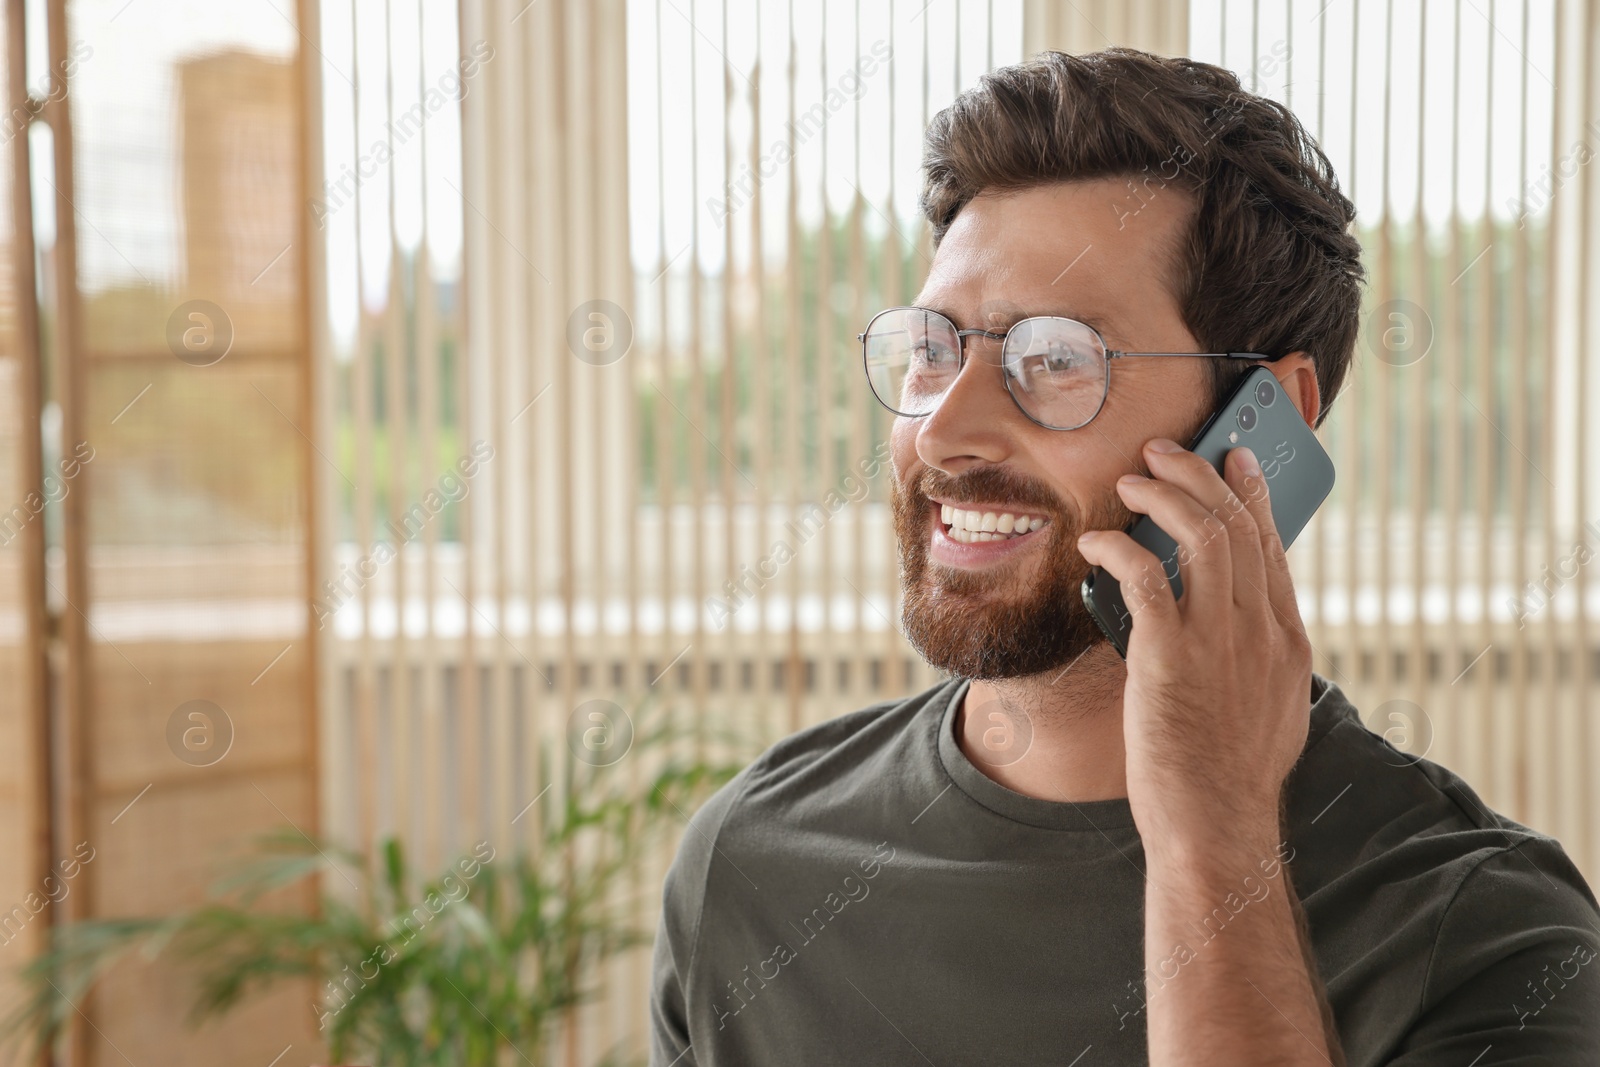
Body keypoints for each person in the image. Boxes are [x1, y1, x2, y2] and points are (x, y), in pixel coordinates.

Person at [649, 47, 1600, 1066]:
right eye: (934, 346)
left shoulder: (1483, 933)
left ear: (1262, 421)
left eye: (1053, 358)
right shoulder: (750, 865)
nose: (941, 432)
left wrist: (1212, 836)